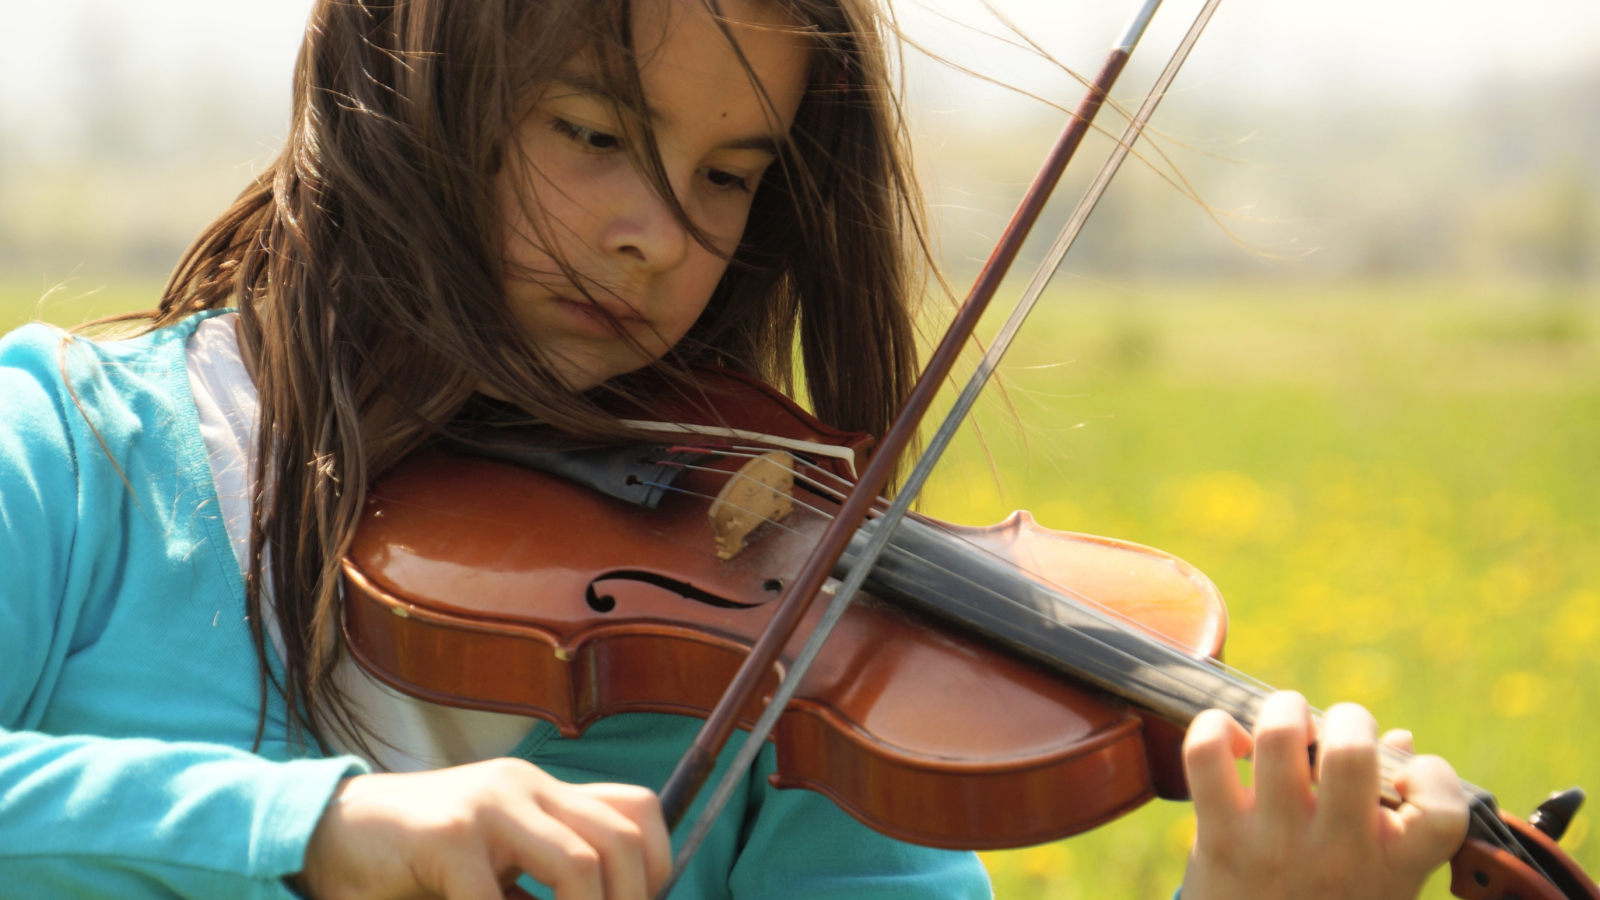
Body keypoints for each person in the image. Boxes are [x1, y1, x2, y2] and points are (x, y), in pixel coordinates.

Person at [0, 0, 1469, 897]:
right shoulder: (68, 461)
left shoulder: (796, 635)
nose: (662, 235)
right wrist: (316, 829)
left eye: (727, 174)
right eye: (590, 133)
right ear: (413, 83)